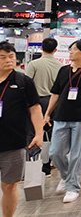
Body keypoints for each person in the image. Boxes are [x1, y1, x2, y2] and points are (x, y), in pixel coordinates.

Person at [44, 39, 81, 203]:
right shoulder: (63, 70)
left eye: (74, 49)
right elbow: (55, 94)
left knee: (77, 155)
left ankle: (72, 188)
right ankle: (67, 177)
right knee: (55, 152)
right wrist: (47, 113)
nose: (70, 51)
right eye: (70, 49)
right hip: (61, 117)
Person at [0, 42, 43, 217]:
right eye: (2, 57)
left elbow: (35, 109)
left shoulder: (23, 82)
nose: (8, 60)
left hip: (14, 143)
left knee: (9, 185)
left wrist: (39, 134)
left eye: (11, 56)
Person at [25, 37, 62, 176]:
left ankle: (32, 164)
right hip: (54, 103)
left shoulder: (34, 64)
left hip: (37, 103)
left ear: (41, 48)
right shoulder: (60, 66)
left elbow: (27, 83)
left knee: (33, 132)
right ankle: (48, 165)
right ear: (55, 50)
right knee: (52, 134)